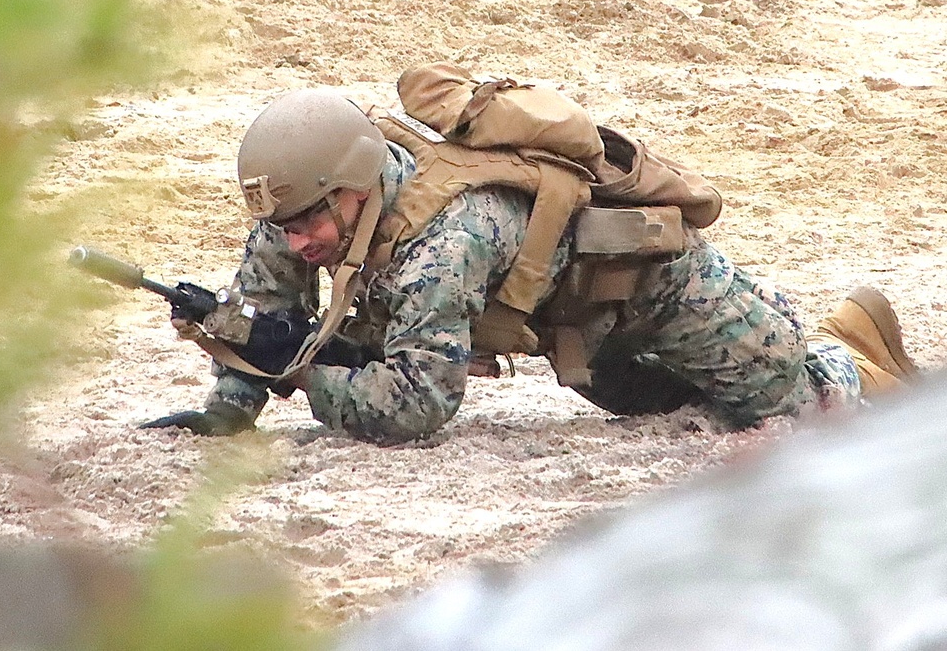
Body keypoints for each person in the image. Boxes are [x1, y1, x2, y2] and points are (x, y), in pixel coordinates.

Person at [140, 79, 920, 443]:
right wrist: (230, 404)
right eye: (286, 224)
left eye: (312, 220)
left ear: (355, 187)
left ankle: (851, 349)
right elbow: (264, 309)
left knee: (801, 412)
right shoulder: (303, 208)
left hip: (657, 286)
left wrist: (303, 375)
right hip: (575, 334)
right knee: (652, 403)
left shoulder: (446, 242)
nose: (298, 239)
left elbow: (417, 407)